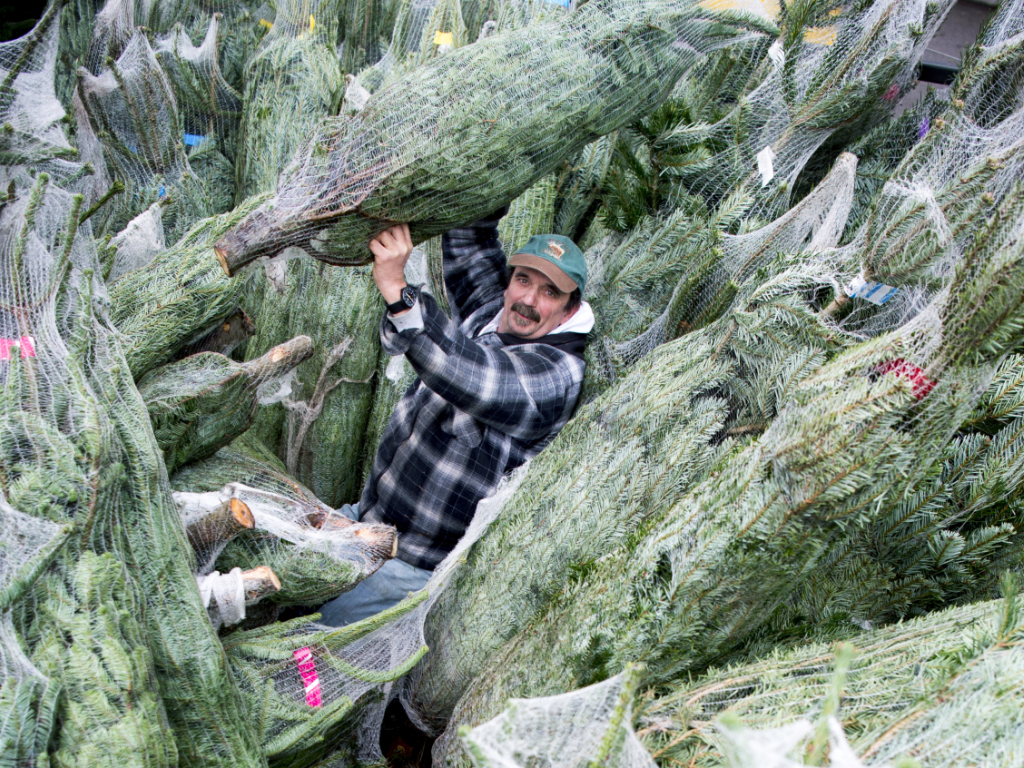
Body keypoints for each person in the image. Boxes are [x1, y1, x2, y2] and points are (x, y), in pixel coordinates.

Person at [317, 208, 595, 626]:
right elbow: (468, 237)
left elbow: (468, 375)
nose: (529, 301)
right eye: (523, 280)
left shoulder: (555, 376)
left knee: (311, 649)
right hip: (365, 522)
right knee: (282, 598)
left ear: (569, 310)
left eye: (549, 293)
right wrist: (482, 179)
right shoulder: (495, 315)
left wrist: (397, 289)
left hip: (406, 567)